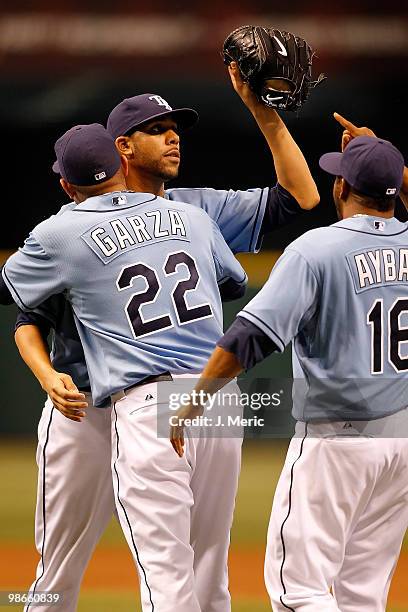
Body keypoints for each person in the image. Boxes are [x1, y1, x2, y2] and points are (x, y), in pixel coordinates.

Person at [3, 62, 321, 611]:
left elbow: (301, 199)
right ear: (119, 147)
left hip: (153, 397)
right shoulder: (87, 226)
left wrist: (262, 111)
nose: (173, 136)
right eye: (156, 128)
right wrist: (46, 374)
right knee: (63, 564)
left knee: (189, 571)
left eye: (175, 127)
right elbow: (28, 319)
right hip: (86, 403)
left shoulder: (191, 208)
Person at [2, 122, 249, 612]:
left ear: (66, 186)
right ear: (122, 165)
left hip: (143, 398)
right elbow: (234, 283)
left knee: (164, 576)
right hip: (216, 395)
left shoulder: (57, 234)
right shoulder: (191, 217)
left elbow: (13, 291)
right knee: (208, 571)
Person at [170, 133, 408, 611]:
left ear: (341, 187)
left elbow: (248, 338)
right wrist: (388, 164)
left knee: (297, 589)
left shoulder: (315, 250)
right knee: (361, 596)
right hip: (402, 445)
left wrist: (193, 403)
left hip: (338, 442)